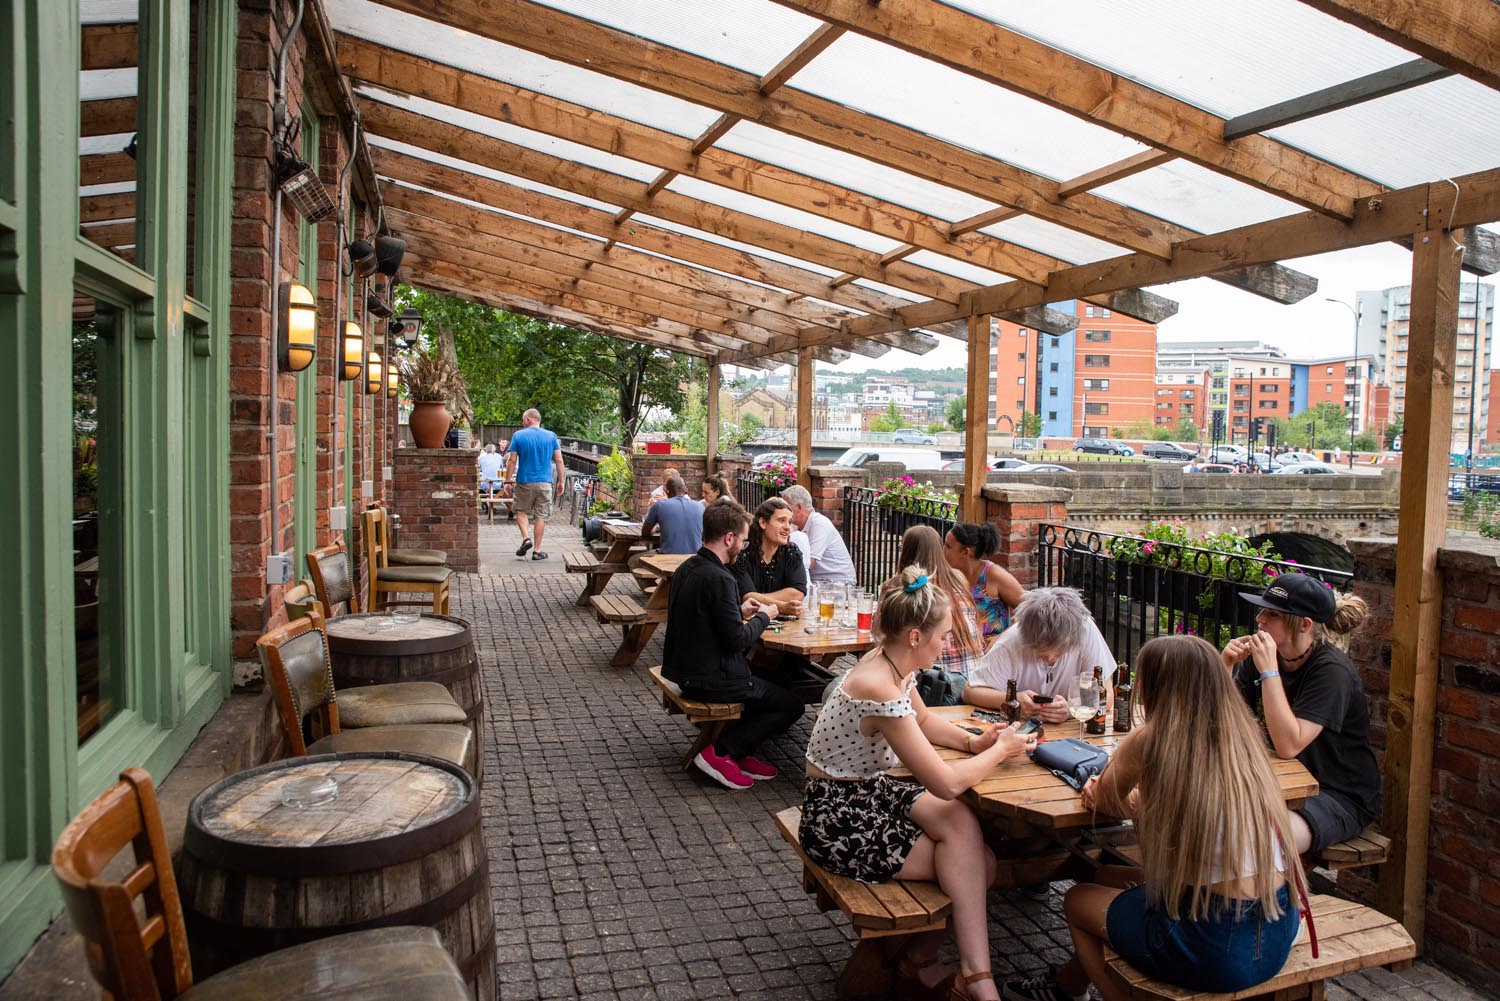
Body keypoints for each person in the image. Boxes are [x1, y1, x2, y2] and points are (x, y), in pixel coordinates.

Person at [1001, 635, 1305, 1001]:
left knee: (1078, 900)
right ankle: (1067, 983)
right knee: (1107, 875)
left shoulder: (1154, 738)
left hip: (1214, 946)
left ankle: (1092, 995)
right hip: (1276, 929)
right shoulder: (1243, 738)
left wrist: (1108, 791)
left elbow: (1107, 802)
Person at [802, 565, 1036, 1001]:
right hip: (837, 815)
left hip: (867, 790)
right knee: (977, 865)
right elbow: (945, 783)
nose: (948, 642)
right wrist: (999, 751)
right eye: (943, 634)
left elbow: (925, 720)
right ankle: (967, 976)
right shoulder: (879, 686)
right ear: (915, 635)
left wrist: (974, 742)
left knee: (963, 827)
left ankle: (948, 969)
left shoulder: (889, 662)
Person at [1222, 573, 1379, 853]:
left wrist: (1269, 671)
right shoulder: (1261, 660)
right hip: (1275, 783)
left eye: (1272, 614)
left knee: (1258, 841)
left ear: (1304, 624)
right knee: (1204, 813)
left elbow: (1288, 745)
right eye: (1262, 611)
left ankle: (1277, 898)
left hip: (1333, 795)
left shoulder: (1332, 671)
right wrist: (1226, 667)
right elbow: (1225, 724)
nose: (1260, 620)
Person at [662, 500, 803, 790]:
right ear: (729, 538)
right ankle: (721, 752)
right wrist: (764, 616)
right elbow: (736, 641)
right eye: (741, 539)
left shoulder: (689, 567)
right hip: (709, 677)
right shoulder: (721, 578)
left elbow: (702, 617)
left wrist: (740, 612)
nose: (742, 545)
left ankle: (742, 751)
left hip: (684, 666)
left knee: (778, 678)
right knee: (792, 705)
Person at [963, 587, 1116, 723]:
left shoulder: (1085, 630)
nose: (1050, 658)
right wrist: (1012, 699)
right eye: (1041, 652)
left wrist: (1070, 709)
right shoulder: (1013, 639)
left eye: (1060, 651)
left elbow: (1106, 696)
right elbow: (970, 692)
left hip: (1071, 733)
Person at [893, 526, 984, 694]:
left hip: (940, 685)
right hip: (976, 683)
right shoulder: (959, 578)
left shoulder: (903, 588)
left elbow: (883, 635)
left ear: (906, 551)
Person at [944, 523, 1024, 639]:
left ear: (965, 552)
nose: (943, 550)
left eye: (948, 546)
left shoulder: (994, 575)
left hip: (994, 653)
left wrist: (1001, 638)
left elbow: (1030, 612)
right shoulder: (950, 576)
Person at [505, 408, 564, 561]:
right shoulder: (551, 436)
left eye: (523, 419)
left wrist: (507, 480)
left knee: (521, 511)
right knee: (541, 516)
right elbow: (559, 460)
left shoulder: (518, 435)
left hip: (525, 481)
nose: (522, 422)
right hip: (545, 482)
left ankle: (526, 539)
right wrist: (561, 481)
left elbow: (512, 460)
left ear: (529, 420)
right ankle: (537, 551)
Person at [733, 497, 807, 615]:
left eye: (789, 522)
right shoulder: (742, 553)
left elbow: (798, 593)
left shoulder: (791, 551)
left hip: (786, 624)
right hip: (748, 624)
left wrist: (759, 599)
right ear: (762, 522)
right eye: (781, 520)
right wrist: (782, 606)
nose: (788, 527)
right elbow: (747, 596)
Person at [781, 485, 857, 586]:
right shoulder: (796, 526)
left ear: (799, 507)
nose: (783, 511)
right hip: (819, 580)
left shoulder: (819, 523)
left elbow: (808, 563)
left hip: (838, 582)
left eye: (787, 507)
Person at [641, 475, 703, 554]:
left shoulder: (659, 505)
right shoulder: (700, 507)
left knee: (634, 559)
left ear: (667, 492)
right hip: (695, 557)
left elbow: (645, 533)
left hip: (668, 556)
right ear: (686, 490)